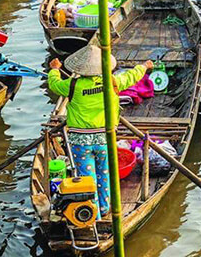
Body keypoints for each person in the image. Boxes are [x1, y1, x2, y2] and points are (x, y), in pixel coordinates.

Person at [48, 47, 153, 219]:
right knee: (104, 173)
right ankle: (104, 208)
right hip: (105, 138)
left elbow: (54, 84)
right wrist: (144, 66)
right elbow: (132, 76)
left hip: (80, 141)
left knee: (87, 178)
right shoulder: (112, 82)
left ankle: (93, 215)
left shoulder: (72, 85)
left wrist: (54, 70)